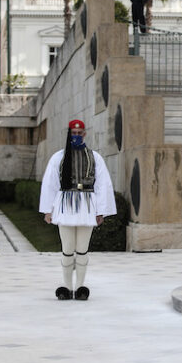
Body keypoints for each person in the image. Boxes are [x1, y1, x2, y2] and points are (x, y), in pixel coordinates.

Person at [39, 119, 117, 301]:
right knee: (67, 249)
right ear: (69, 134)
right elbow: (50, 184)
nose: (76, 136)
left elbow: (102, 185)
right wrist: (47, 210)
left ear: (84, 134)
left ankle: (80, 287)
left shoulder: (94, 157)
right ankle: (66, 288)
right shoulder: (59, 157)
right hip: (65, 205)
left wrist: (101, 211)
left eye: (79, 133)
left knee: (82, 249)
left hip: (87, 205)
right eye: (73, 134)